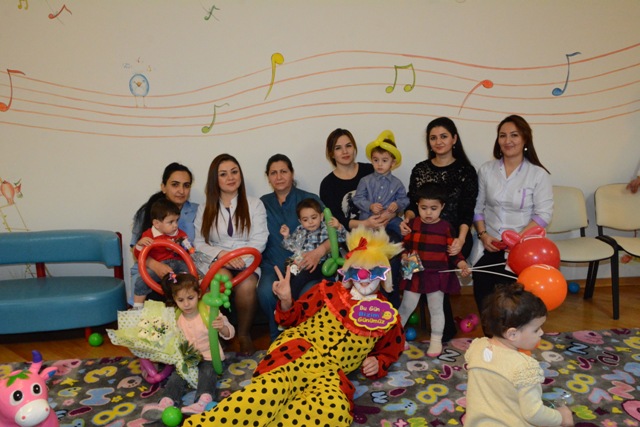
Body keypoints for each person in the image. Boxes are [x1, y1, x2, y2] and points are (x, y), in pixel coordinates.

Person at [183, 226, 405, 427]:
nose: (364, 279)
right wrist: (287, 301)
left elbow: (390, 350)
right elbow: (290, 318)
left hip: (331, 373)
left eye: (373, 272)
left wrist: (378, 361)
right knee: (268, 393)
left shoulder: (387, 316)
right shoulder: (327, 291)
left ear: (384, 276)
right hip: (298, 351)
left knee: (335, 411)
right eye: (357, 271)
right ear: (348, 272)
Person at [401, 117, 478, 342]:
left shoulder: (466, 171)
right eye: (433, 137)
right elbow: (412, 205)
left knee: (434, 280)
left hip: (453, 238)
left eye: (444, 136)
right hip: (421, 237)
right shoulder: (420, 169)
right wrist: (407, 220)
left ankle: (440, 330)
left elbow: (467, 211)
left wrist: (460, 240)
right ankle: (403, 325)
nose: (438, 141)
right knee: (413, 276)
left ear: (454, 139)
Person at [472, 115, 553, 314]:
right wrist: (483, 235)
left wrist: (517, 240)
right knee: (483, 283)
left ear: (525, 139)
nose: (508, 140)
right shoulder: (486, 170)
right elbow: (478, 208)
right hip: (491, 243)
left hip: (523, 247)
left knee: (515, 301)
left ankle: (516, 330)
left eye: (514, 135)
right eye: (503, 135)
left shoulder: (538, 174)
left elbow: (543, 215)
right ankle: (490, 329)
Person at [464, 282, 574, 426]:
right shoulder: (525, 367)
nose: (541, 333)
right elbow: (533, 414)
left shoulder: (476, 347)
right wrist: (560, 417)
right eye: (536, 329)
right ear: (512, 334)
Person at [193, 154, 268, 355]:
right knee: (220, 281)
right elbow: (199, 243)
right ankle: (217, 333)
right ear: (215, 179)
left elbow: (260, 239)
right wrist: (223, 255)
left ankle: (243, 335)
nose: (230, 177)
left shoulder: (255, 204)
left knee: (247, 286)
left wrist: (241, 259)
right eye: (223, 174)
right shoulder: (204, 208)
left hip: (248, 261)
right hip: (218, 260)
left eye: (234, 172)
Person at [257, 154, 330, 341]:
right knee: (266, 291)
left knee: (308, 292)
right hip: (273, 266)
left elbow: (334, 234)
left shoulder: (310, 200)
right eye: (273, 173)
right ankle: (277, 337)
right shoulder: (262, 203)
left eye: (284, 171)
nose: (279, 177)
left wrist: (319, 252)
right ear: (268, 177)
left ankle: (303, 339)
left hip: (307, 266)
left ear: (292, 173)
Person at [141, 273, 235, 416]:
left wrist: (222, 327)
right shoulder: (176, 317)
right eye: (181, 300)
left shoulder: (210, 312)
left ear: (199, 294)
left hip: (209, 357)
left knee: (207, 373)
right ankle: (166, 402)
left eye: (190, 298)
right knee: (176, 376)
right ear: (175, 299)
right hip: (187, 359)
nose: (186, 304)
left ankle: (203, 401)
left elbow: (230, 333)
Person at [398, 185, 471, 357]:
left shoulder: (446, 227)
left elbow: (453, 252)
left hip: (437, 276)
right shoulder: (412, 224)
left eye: (433, 208)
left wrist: (462, 264)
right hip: (415, 274)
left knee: (436, 308)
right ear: (417, 205)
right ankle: (397, 338)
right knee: (406, 306)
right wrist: (404, 255)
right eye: (424, 208)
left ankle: (436, 340)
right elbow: (404, 246)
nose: (428, 213)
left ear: (442, 207)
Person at [130, 162, 198, 301]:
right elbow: (135, 248)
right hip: (150, 267)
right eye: (175, 184)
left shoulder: (198, 211)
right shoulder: (148, 211)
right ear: (163, 187)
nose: (181, 191)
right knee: (152, 297)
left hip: (183, 268)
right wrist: (155, 266)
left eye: (186, 185)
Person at [280, 197, 347, 300]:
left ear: (321, 216)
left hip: (321, 263)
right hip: (301, 262)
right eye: (305, 220)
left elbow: (342, 238)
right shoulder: (300, 230)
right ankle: (286, 295)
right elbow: (292, 246)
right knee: (287, 272)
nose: (310, 222)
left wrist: (339, 227)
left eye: (314, 217)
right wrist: (286, 236)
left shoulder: (327, 228)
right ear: (300, 221)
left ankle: (290, 300)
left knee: (301, 279)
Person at [132, 198, 191, 308]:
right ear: (157, 224)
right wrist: (140, 245)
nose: (175, 225)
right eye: (171, 222)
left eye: (177, 221)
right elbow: (139, 255)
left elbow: (189, 251)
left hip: (179, 264)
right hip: (159, 266)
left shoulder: (180, 234)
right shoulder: (149, 235)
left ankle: (194, 305)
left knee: (192, 277)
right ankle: (137, 308)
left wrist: (181, 247)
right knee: (141, 280)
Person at [352, 129, 409, 240]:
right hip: (369, 219)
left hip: (391, 219)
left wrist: (397, 204)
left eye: (384, 160)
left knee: (402, 230)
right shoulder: (365, 181)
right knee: (362, 239)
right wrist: (370, 206)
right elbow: (358, 199)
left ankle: (402, 248)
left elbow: (404, 200)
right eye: (376, 160)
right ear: (371, 160)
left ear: (393, 162)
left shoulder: (397, 183)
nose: (379, 164)